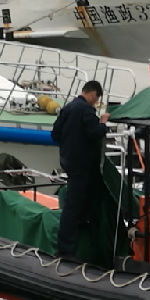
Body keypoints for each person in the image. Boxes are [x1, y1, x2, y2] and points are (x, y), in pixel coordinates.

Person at [50, 79, 109, 259]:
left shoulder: (68, 108)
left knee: (80, 200)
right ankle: (65, 249)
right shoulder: (86, 110)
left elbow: (55, 133)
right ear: (92, 94)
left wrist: (70, 142)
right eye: (96, 98)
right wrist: (103, 123)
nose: (95, 102)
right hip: (83, 165)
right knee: (73, 206)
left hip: (68, 161)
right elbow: (95, 132)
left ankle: (79, 229)